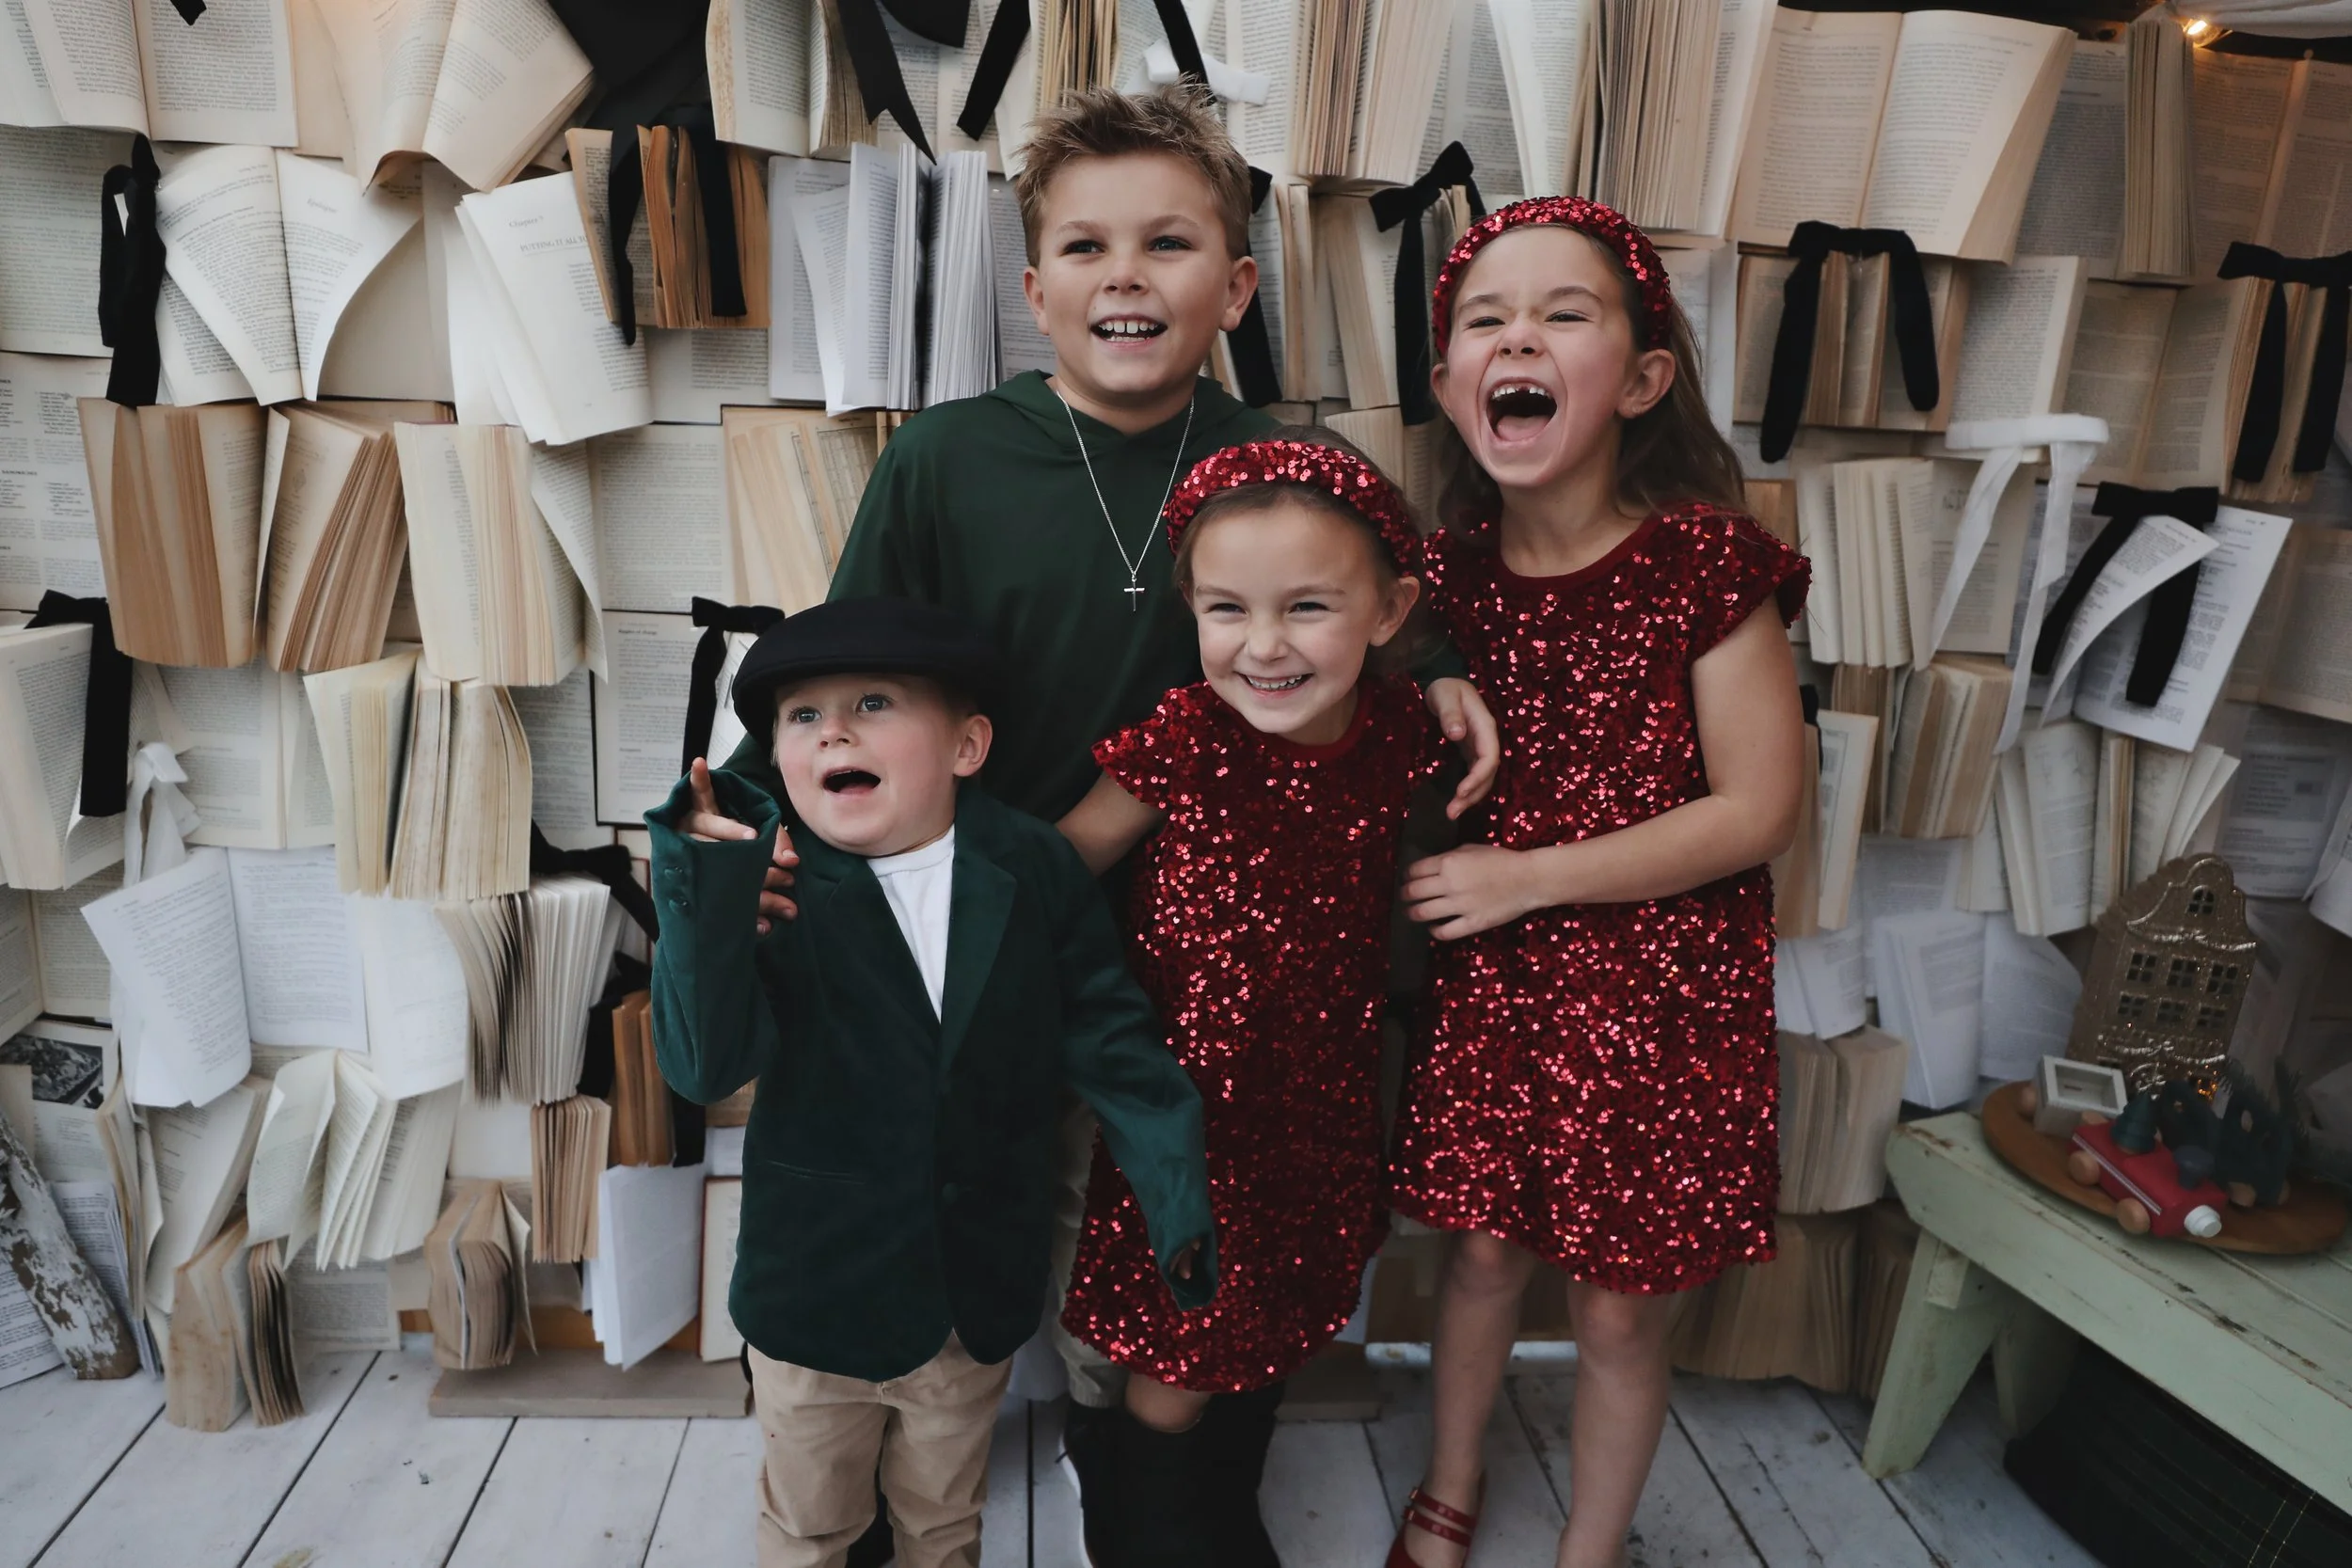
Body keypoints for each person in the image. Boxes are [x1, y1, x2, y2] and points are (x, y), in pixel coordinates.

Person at [687, 86, 1500, 1551]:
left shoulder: (1280, 463)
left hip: (1207, 966)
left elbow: (1385, 604)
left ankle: (1140, 1483)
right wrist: (757, 841)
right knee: (991, 1190)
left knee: (1143, 1231)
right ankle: (901, 1465)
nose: (1126, 274)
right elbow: (844, 675)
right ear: (1036, 288)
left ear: (1236, 284)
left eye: (1170, 242)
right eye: (1087, 245)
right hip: (994, 924)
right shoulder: (946, 458)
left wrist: (1442, 678)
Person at [1382, 199, 1810, 1568]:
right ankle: (1447, 1490)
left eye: (1565, 312)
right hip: (1497, 996)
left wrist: (1531, 876)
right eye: (1485, 321)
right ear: (1452, 386)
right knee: (1484, 1259)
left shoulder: (1705, 565)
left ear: (1640, 379)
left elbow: (1759, 806)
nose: (1520, 336)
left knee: (1624, 1309)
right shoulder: (1438, 583)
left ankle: (1591, 1543)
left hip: (1665, 1003)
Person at [645, 596, 1217, 1568]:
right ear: (780, 759)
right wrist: (701, 899)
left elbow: (1112, 1036)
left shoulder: (1029, 865)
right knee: (810, 1525)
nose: (832, 729)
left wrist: (1176, 1197)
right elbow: (703, 1063)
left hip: (970, 1292)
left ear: (966, 745)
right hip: (813, 1296)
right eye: (800, 715)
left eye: (873, 702)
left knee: (943, 1517)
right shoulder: (773, 888)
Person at [1055, 434, 1452, 1566]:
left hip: (1317, 1102)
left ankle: (1221, 1510)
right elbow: (1058, 864)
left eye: (1308, 607)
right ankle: (1150, 1533)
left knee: (1277, 1319)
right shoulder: (1185, 739)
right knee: (1180, 1350)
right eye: (1227, 608)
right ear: (1188, 606)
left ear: (1388, 612)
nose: (1263, 646)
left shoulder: (1397, 738)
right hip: (1186, 1114)